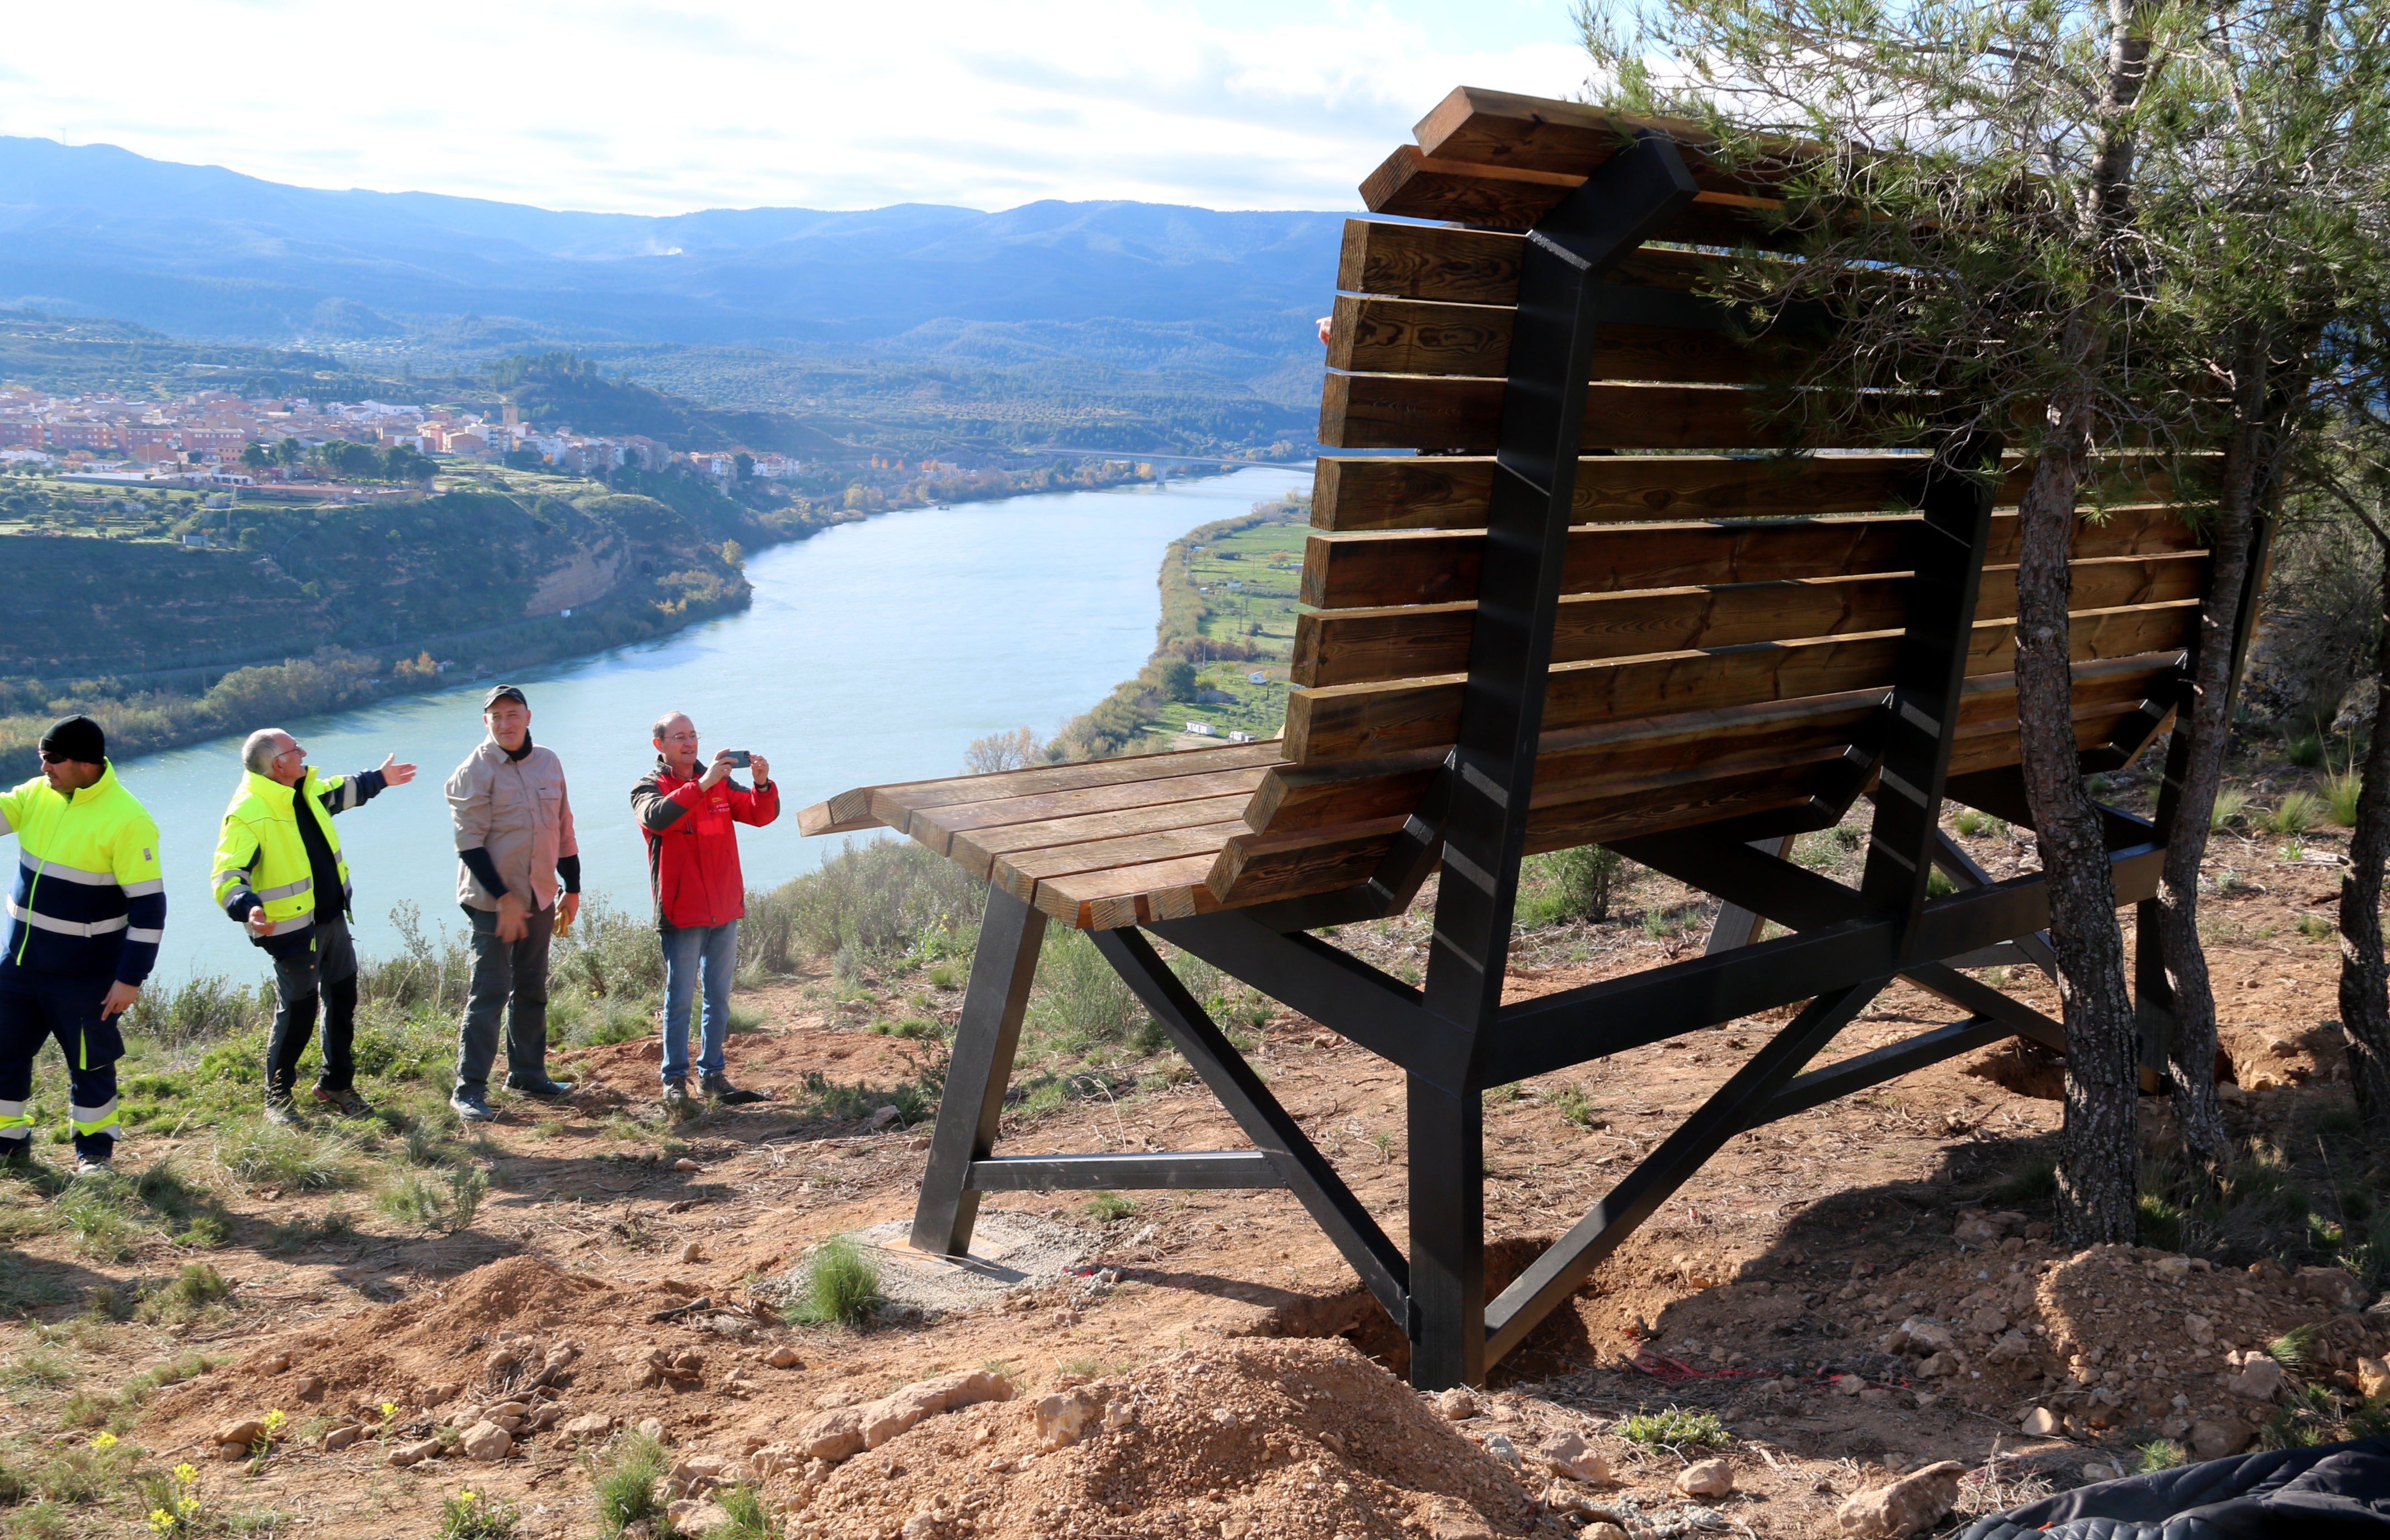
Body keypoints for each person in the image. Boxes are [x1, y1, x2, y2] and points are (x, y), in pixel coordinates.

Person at [213, 729, 416, 1123]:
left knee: (343, 1002)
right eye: (296, 749)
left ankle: (336, 1084)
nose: (304, 752)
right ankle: (277, 1099)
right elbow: (227, 874)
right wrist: (247, 907)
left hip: (332, 919)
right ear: (278, 765)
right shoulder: (247, 811)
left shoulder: (302, 789)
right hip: (291, 932)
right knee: (298, 1015)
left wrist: (380, 778)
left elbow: (339, 789)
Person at [0, 715, 164, 1175]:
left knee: (90, 1064)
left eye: (52, 759)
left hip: (86, 976)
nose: (44, 767)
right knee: (3, 1052)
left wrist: (130, 979)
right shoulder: (38, 793)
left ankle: (94, 1154)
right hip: (19, 965)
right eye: (42, 757)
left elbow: (150, 909)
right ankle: (7, 1143)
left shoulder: (128, 820)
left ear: (86, 763)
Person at [631, 713, 778, 1118]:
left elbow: (760, 815)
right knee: (679, 1000)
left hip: (723, 908)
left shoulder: (719, 782)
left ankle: (712, 1075)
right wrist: (703, 784)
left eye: (693, 735)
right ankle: (675, 1081)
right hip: (683, 912)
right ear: (659, 744)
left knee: (718, 998)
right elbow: (657, 818)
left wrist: (762, 784)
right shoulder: (648, 786)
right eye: (679, 736)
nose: (689, 742)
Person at [445, 685, 580, 1121]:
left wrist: (572, 887)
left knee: (532, 986)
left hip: (539, 893)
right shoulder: (473, 771)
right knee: (490, 991)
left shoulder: (548, 761)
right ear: (485, 721)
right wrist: (502, 899)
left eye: (513, 714)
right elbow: (468, 844)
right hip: (491, 901)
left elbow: (563, 827)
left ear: (528, 716)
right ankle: (469, 1089)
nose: (505, 723)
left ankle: (527, 1074)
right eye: (497, 716)